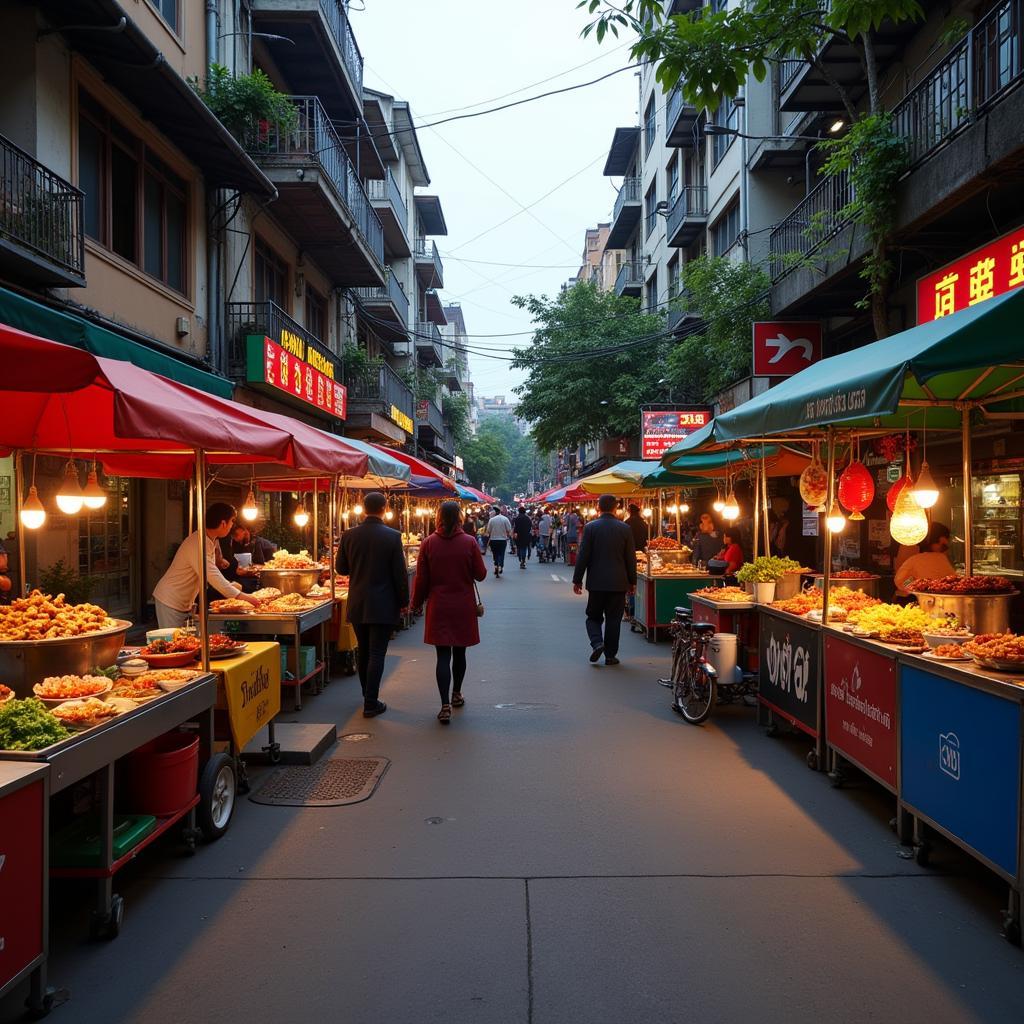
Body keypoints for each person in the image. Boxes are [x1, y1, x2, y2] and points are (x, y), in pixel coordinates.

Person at [412, 500, 488, 724]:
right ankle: (457, 694)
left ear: (438, 517)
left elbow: (421, 579)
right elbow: (481, 574)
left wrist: (415, 603)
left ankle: (444, 705)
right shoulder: (469, 542)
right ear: (460, 518)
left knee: (442, 656)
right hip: (463, 605)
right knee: (460, 653)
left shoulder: (428, 543)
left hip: (439, 605)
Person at [336, 491, 409, 718]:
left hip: (358, 601)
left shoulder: (349, 535)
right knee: (377, 652)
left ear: (363, 507)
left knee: (364, 651)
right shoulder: (392, 536)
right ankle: (371, 700)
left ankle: (367, 696)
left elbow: (342, 569)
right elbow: (400, 574)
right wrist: (404, 601)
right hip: (384, 602)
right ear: (385, 509)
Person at [153, 502, 260, 628]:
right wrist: (243, 596)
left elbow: (213, 571)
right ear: (223, 523)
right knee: (172, 643)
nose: (232, 526)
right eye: (232, 521)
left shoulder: (209, 540)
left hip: (184, 602)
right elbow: (212, 575)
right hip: (170, 600)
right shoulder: (197, 543)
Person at [572, 493, 637, 666]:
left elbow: (583, 555)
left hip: (597, 582)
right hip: (618, 582)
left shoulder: (591, 527)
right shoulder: (624, 528)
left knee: (593, 616)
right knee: (614, 619)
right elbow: (630, 558)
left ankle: (597, 642)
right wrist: (632, 581)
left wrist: (577, 579)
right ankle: (610, 655)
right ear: (616, 508)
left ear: (598, 508)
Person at [895, 522, 956, 596]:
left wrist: (914, 581)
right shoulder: (941, 558)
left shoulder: (914, 559)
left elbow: (901, 583)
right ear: (941, 539)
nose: (947, 542)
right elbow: (954, 581)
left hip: (921, 600)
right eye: (947, 538)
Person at [485, 505, 512, 577]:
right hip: (503, 540)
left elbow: (488, 531)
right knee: (501, 553)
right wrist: (508, 535)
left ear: (495, 512)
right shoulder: (505, 519)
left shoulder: (491, 520)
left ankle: (496, 565)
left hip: (493, 540)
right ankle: (500, 566)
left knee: (495, 554)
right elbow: (509, 529)